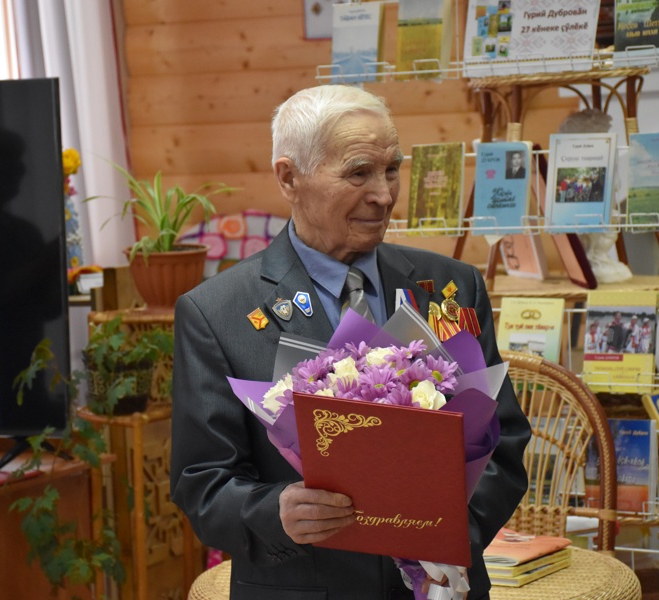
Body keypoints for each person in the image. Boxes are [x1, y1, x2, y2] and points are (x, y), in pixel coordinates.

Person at [170, 85, 531, 600]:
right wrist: (277, 512)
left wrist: (446, 537)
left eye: (392, 169)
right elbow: (201, 482)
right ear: (289, 177)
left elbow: (505, 441)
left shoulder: (451, 287)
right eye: (359, 172)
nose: (384, 194)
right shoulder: (217, 312)